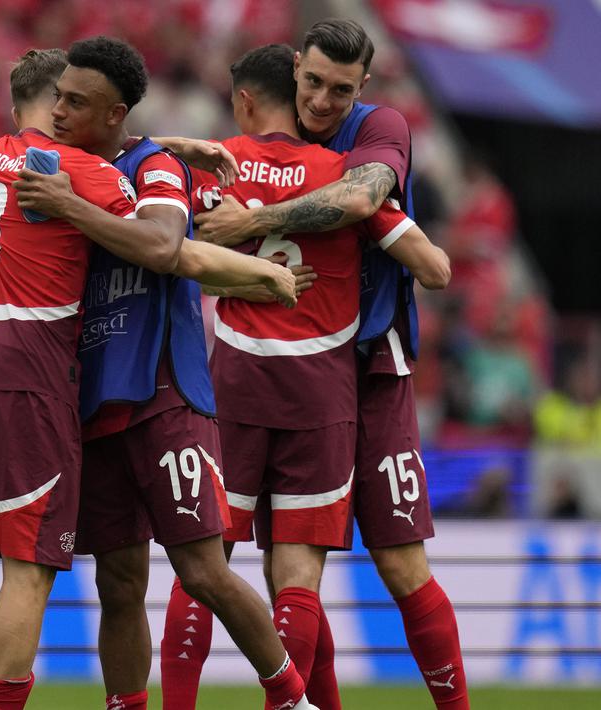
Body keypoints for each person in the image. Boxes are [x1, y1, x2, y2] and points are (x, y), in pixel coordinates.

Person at [0, 48, 298, 710]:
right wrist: (263, 273)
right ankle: (284, 695)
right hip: (37, 382)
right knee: (38, 573)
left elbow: (125, 204)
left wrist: (172, 152)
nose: (63, 112)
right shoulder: (83, 173)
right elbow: (165, 248)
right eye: (60, 100)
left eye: (76, 101)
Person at [161, 19, 467, 710]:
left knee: (387, 562)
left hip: (363, 369)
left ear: (363, 87)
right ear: (294, 69)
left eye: (340, 90)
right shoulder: (312, 163)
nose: (324, 102)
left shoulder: (369, 132)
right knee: (291, 568)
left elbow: (357, 198)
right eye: (313, 84)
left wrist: (243, 228)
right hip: (317, 381)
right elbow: (432, 265)